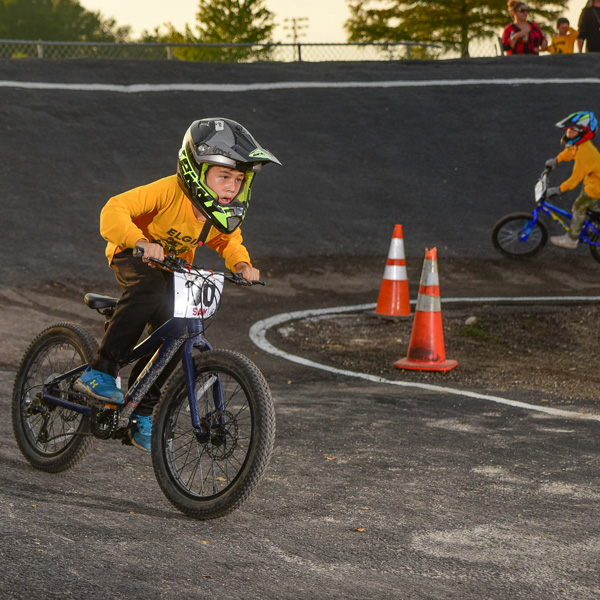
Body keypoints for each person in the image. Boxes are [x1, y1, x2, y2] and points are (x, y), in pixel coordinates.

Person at [74, 117, 281, 451]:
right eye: (224, 176)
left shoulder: (217, 213)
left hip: (172, 266)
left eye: (239, 178)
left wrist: (241, 263)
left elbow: (229, 241)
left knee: (178, 330)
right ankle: (100, 369)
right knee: (151, 290)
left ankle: (141, 409)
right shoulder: (170, 191)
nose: (232, 186)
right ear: (196, 171)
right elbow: (114, 209)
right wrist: (138, 241)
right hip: (132, 253)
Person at [544, 111, 600, 249]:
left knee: (579, 208)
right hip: (591, 182)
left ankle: (572, 239)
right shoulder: (581, 144)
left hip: (595, 186)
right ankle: (596, 223)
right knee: (589, 205)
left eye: (572, 129)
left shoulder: (586, 154)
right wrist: (557, 160)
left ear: (583, 132)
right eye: (568, 129)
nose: (568, 132)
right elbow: (570, 152)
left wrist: (558, 189)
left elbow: (574, 179)